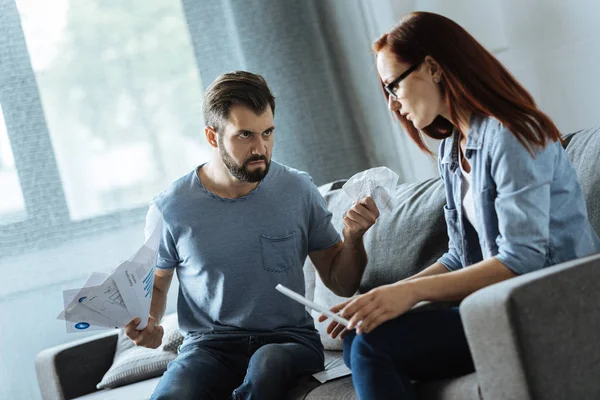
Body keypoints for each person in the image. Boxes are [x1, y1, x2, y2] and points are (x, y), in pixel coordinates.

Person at [319, 12, 600, 400]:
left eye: (393, 87)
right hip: (494, 306)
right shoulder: (452, 149)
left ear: (433, 68)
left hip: (550, 305)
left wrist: (411, 295)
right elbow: (459, 255)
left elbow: (523, 260)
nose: (392, 104)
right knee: (359, 337)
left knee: (371, 346)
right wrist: (386, 296)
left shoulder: (513, 135)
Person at [124, 71, 379, 400]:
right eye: (245, 135)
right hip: (208, 347)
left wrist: (354, 238)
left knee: (267, 361)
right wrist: (149, 321)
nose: (261, 148)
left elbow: (340, 282)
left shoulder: (298, 190)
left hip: (289, 342)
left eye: (268, 133)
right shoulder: (171, 207)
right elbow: (159, 282)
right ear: (212, 136)